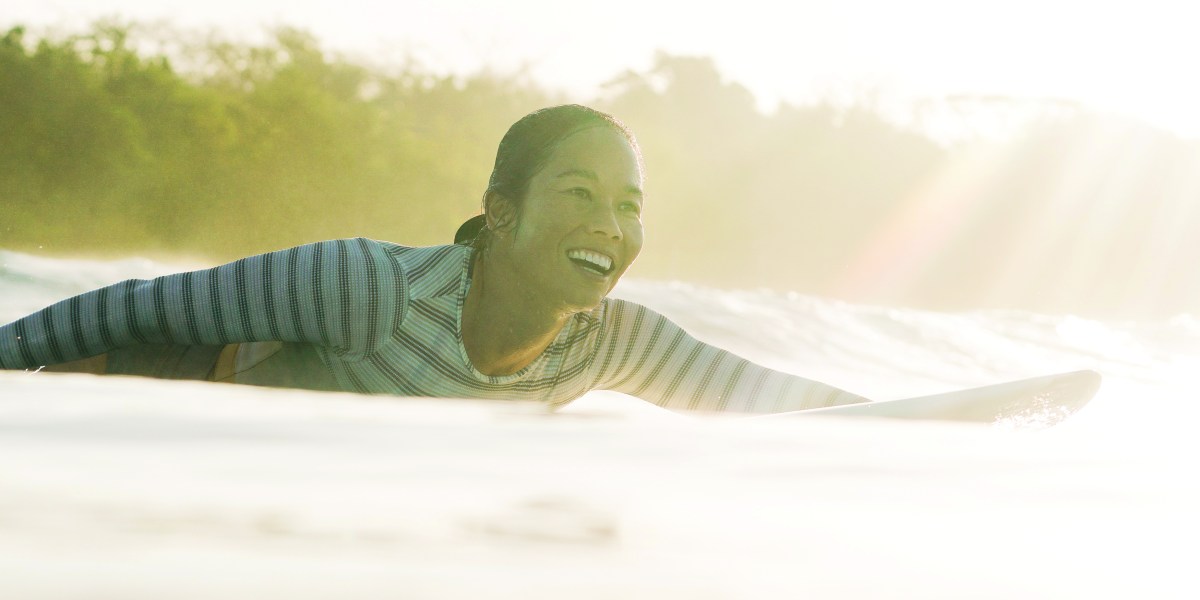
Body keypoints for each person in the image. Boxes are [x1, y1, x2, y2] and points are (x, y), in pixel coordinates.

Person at [0, 105, 869, 413]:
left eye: (629, 205)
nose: (609, 223)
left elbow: (766, 401)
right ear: (500, 213)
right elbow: (142, 311)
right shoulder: (368, 289)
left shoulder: (607, 342)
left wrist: (976, 438)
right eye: (577, 193)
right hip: (141, 417)